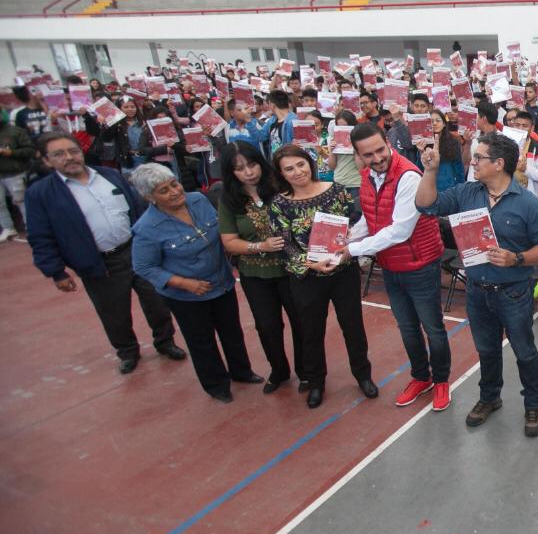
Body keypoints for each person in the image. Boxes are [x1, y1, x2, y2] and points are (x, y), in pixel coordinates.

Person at [415, 133, 538, 436]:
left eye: (479, 157)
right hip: (477, 291)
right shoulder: (467, 193)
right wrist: (430, 170)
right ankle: (489, 397)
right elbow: (426, 205)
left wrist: (516, 258)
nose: (473, 161)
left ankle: (534, 403)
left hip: (514, 293)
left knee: (524, 351)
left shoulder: (528, 204)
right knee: (486, 350)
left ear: (499, 164)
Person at [25, 131, 187, 373]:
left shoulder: (109, 175)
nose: (69, 157)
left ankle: (165, 342)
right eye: (59, 154)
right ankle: (128, 351)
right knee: (114, 312)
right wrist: (56, 272)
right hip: (100, 263)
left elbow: (140, 209)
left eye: (73, 151)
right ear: (47, 160)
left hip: (138, 252)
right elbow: (40, 236)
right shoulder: (41, 193)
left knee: (158, 302)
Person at [339, 124, 451, 412]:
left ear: (388, 142)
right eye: (368, 154)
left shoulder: (409, 176)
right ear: (358, 155)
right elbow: (371, 218)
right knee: (407, 328)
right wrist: (346, 237)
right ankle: (420, 377)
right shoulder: (367, 176)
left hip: (420, 264)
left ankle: (440, 381)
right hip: (391, 264)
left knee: (433, 328)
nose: (377, 158)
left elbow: (399, 230)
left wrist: (351, 251)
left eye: (380, 149)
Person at [128, 163, 261, 402]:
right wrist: (184, 283)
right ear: (150, 198)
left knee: (232, 332)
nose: (174, 192)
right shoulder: (147, 229)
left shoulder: (198, 200)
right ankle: (216, 385)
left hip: (221, 283)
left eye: (174, 184)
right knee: (202, 341)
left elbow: (223, 231)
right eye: (164, 190)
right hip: (188, 296)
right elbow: (144, 267)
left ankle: (242, 372)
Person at [271, 144, 377, 409]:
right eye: (289, 169)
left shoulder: (336, 190)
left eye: (300, 164)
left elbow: (355, 223)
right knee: (310, 331)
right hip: (307, 277)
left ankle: (363, 375)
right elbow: (285, 244)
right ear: (281, 174)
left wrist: (347, 247)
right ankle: (316, 382)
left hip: (343, 272)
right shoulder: (279, 204)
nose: (297, 172)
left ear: (310, 164)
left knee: (353, 327)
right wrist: (310, 264)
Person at [218, 140, 304, 394]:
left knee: (301, 321)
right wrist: (260, 246)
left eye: (252, 164)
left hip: (290, 269)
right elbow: (229, 242)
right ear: (230, 172)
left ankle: (306, 371)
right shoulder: (229, 199)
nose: (248, 172)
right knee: (267, 325)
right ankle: (279, 370)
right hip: (255, 274)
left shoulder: (281, 186)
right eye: (240, 168)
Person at [0, 113, 33, 239]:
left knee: (21, 201)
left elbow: (30, 150)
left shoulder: (15, 131)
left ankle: (31, 227)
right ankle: (8, 228)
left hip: (15, 172)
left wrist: (10, 152)